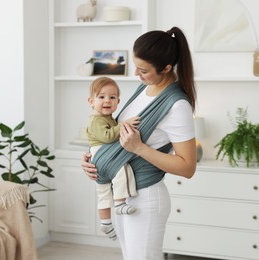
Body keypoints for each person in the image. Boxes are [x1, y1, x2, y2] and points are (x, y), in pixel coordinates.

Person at [81, 26, 197, 260]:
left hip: (145, 197)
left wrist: (139, 148)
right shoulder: (144, 88)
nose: (136, 73)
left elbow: (187, 167)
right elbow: (118, 133)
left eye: (143, 70)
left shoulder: (177, 105)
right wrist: (96, 156)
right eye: (136, 66)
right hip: (123, 194)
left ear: (165, 68)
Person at [87, 76, 141, 241]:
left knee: (103, 193)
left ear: (118, 101)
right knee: (122, 169)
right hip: (102, 155)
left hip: (98, 157)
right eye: (101, 97)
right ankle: (119, 203)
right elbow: (108, 136)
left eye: (112, 97)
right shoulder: (96, 120)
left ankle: (105, 223)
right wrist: (125, 125)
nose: (107, 101)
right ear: (91, 101)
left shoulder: (107, 118)